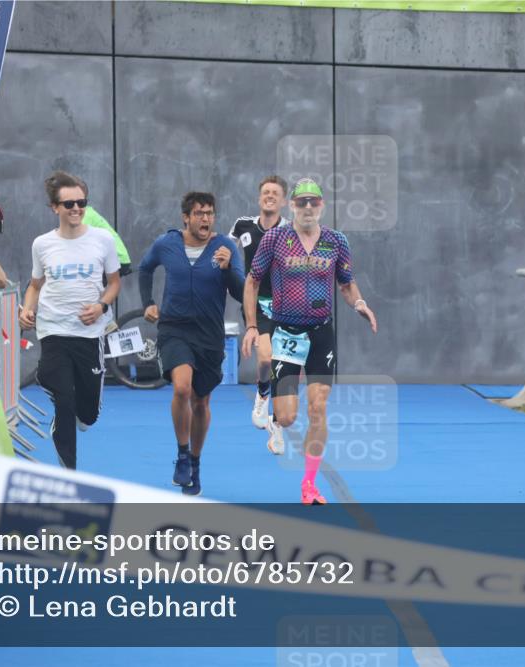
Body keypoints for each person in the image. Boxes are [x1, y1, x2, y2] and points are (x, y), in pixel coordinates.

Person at [242, 178, 377, 505]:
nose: (306, 208)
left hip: (320, 333)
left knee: (318, 408)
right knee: (287, 417)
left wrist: (359, 303)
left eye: (312, 203)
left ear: (321, 206)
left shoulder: (335, 241)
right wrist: (251, 325)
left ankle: (309, 485)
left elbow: (346, 284)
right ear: (292, 206)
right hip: (286, 332)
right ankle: (273, 404)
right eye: (300, 202)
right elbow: (252, 281)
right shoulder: (275, 238)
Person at [138, 192, 244, 496]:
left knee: (201, 402)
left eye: (210, 213)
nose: (206, 219)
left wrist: (228, 270)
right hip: (175, 328)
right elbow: (145, 269)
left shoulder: (225, 247)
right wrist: (148, 303)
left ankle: (195, 464)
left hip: (209, 335)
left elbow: (239, 291)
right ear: (186, 217)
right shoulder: (166, 244)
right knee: (182, 388)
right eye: (199, 213)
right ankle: (182, 454)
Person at [19, 171, 121, 470]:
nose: (76, 209)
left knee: (87, 414)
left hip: (88, 334)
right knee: (63, 400)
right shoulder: (42, 244)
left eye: (81, 203)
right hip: (52, 329)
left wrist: (101, 306)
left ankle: (79, 410)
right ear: (55, 208)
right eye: (69, 204)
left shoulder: (102, 240)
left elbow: (114, 283)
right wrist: (27, 309)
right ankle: (69, 472)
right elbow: (35, 285)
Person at [229, 175, 290, 454]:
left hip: (287, 305)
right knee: (265, 357)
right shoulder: (243, 225)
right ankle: (263, 391)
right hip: (256, 302)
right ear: (259, 198)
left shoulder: (291, 230)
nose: (270, 196)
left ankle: (277, 428)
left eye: (275, 193)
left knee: (283, 366)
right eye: (265, 192)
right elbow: (225, 252)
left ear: (284, 201)